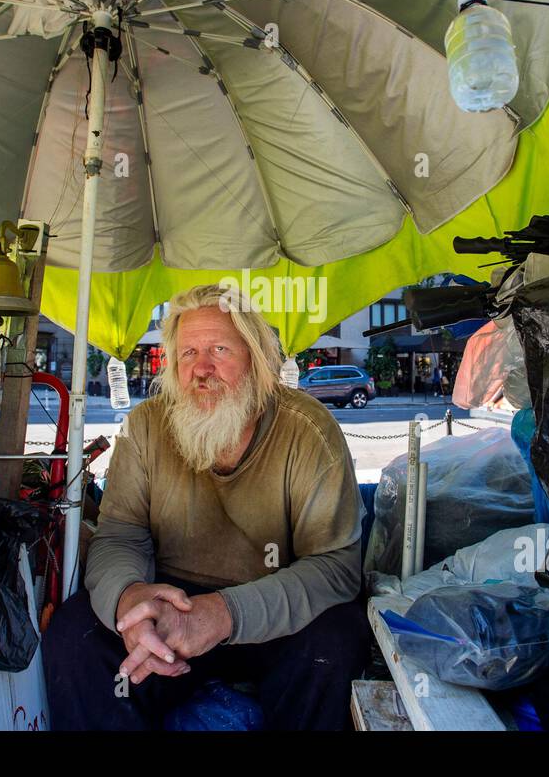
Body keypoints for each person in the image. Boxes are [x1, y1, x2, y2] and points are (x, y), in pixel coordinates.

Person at [42, 283, 371, 730]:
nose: (202, 369)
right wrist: (129, 601)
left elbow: (335, 567)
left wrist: (222, 614)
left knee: (336, 639)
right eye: (187, 353)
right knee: (75, 637)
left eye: (219, 349)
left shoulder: (307, 430)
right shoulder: (146, 426)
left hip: (275, 608)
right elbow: (121, 532)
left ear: (256, 360)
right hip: (168, 604)